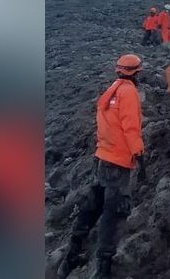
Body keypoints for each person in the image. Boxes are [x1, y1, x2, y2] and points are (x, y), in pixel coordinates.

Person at [57, 55, 146, 279]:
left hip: (102, 158)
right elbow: (131, 127)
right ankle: (103, 267)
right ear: (136, 72)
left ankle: (71, 254)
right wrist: (140, 155)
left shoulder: (112, 90)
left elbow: (106, 124)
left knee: (92, 205)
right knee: (112, 213)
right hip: (117, 162)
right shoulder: (129, 93)